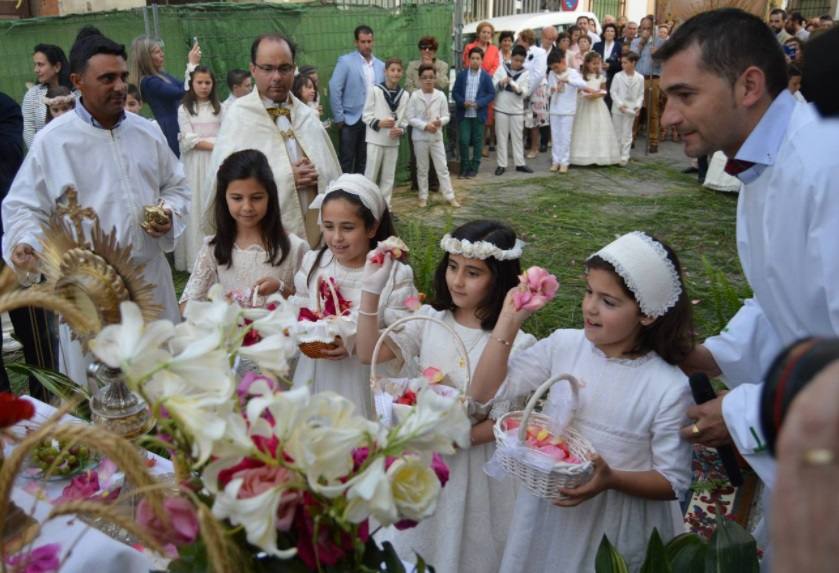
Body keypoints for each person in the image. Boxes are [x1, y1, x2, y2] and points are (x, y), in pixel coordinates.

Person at [657, 8, 839, 491]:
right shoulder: (762, 167)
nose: (669, 118)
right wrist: (712, 356)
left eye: (685, 96)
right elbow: (783, 296)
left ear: (749, 86)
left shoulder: (825, 168)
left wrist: (746, 412)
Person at [470, 231, 694, 572]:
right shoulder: (564, 346)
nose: (590, 307)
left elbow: (672, 481)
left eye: (609, 301)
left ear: (647, 313)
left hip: (612, 527)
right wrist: (509, 321)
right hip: (549, 511)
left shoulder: (668, 386)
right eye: (590, 292)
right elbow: (483, 394)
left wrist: (613, 479)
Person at [2, 26, 190, 384]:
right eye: (107, 78)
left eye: (122, 77)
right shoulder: (52, 143)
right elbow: (23, 207)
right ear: (77, 81)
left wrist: (168, 212)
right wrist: (25, 242)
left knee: (165, 391)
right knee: (104, 399)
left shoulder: (146, 132)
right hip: (89, 294)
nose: (120, 86)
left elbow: (177, 186)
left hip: (150, 282)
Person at [358, 220, 536, 573]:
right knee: (413, 540)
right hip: (423, 459)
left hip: (474, 471)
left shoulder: (518, 344)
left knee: (466, 547)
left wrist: (456, 434)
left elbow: (507, 419)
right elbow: (367, 352)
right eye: (453, 267)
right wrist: (370, 291)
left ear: (498, 279)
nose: (457, 280)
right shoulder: (429, 319)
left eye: (473, 272)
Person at [291, 174, 416, 418]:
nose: (336, 238)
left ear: (372, 227)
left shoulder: (394, 274)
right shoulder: (314, 263)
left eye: (347, 228)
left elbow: (403, 334)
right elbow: (301, 305)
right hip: (318, 370)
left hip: (368, 375)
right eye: (328, 226)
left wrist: (356, 342)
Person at [208, 33, 341, 248]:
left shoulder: (306, 116)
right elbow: (226, 183)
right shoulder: (239, 117)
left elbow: (332, 172)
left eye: (284, 68)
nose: (277, 77)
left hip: (316, 227)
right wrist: (288, 177)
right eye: (268, 69)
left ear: (294, 69)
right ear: (253, 70)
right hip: (266, 234)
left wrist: (319, 175)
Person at [180, 149, 308, 309]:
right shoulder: (214, 248)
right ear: (224, 197)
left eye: (256, 198)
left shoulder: (294, 248)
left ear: (270, 196)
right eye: (237, 198)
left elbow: (310, 307)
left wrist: (281, 288)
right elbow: (188, 305)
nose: (247, 207)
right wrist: (220, 311)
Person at [0, 90, 56, 402]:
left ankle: (46, 399)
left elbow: (8, 161)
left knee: (36, 333)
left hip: (11, 240)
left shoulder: (5, 107)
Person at [175, 65, 223, 272]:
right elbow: (189, 140)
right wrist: (216, 145)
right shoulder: (184, 109)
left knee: (216, 203)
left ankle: (220, 255)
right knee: (197, 204)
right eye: (199, 82)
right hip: (196, 164)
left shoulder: (220, 107)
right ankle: (197, 258)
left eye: (207, 82)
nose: (204, 87)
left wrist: (221, 148)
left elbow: (228, 132)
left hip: (217, 162)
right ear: (191, 84)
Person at [128, 35, 201, 158]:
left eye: (161, 51)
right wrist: (192, 65)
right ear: (146, 57)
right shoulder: (148, 82)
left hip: (179, 122)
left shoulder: (161, 75)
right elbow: (181, 92)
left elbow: (185, 86)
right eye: (157, 52)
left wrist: (193, 70)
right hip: (172, 128)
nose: (162, 54)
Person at [329, 25, 385, 174]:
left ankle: (360, 193)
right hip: (350, 119)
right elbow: (334, 88)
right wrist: (339, 117)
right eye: (363, 42)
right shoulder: (345, 61)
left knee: (365, 160)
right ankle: (344, 193)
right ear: (356, 42)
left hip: (371, 119)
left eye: (369, 41)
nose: (367, 45)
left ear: (373, 41)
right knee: (346, 159)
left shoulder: (380, 65)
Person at [406, 64, 460, 208]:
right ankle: (423, 196)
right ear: (419, 79)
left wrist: (439, 122)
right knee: (422, 168)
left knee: (442, 167)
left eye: (431, 77)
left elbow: (446, 116)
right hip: (420, 138)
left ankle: (450, 196)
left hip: (436, 137)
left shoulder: (440, 95)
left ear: (435, 78)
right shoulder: (415, 96)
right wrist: (424, 126)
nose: (428, 80)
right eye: (425, 78)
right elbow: (410, 117)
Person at [362, 57, 408, 206]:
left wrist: (401, 130)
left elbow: (406, 120)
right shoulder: (375, 90)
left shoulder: (405, 95)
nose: (395, 73)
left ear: (402, 73)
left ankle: (385, 208)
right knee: (371, 175)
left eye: (399, 70)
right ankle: (367, 206)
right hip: (375, 139)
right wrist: (380, 123)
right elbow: (366, 115)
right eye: (392, 70)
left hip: (392, 141)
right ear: (385, 72)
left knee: (388, 177)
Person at [570, 52, 620, 166]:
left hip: (598, 105)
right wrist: (585, 94)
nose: (596, 66)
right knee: (583, 128)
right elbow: (578, 91)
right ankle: (582, 155)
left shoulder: (601, 77)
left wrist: (596, 95)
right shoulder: (581, 78)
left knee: (598, 128)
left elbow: (604, 91)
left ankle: (600, 155)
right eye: (594, 63)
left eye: (598, 64)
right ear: (587, 64)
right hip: (584, 105)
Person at [546, 49, 592, 173]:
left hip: (567, 110)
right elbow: (548, 90)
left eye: (556, 67)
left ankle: (564, 162)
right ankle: (556, 161)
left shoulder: (572, 73)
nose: (555, 70)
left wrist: (568, 81)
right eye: (553, 68)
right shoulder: (551, 74)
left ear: (562, 61)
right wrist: (554, 89)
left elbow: (583, 85)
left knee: (565, 136)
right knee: (556, 136)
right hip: (555, 109)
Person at [452, 47, 495, 179]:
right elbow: (455, 93)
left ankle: (474, 167)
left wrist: (480, 103)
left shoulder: (486, 77)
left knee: (477, 141)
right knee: (464, 140)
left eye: (478, 58)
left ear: (482, 60)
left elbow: (491, 93)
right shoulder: (462, 75)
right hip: (464, 113)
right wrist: (462, 102)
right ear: (468, 60)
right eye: (472, 58)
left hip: (478, 113)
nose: (475, 61)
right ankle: (464, 167)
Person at [22, 44, 71, 148]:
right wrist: (41, 154)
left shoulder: (75, 92)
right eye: (35, 65)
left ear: (57, 66)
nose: (36, 70)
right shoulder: (32, 95)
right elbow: (28, 129)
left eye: (40, 65)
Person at [493, 45, 531, 176]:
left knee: (518, 137)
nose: (518, 63)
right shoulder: (501, 68)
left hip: (517, 110)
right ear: (511, 57)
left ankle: (520, 163)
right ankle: (501, 164)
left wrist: (519, 90)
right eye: (516, 60)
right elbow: (493, 86)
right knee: (502, 137)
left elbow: (526, 91)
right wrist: (501, 83)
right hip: (501, 108)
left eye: (521, 61)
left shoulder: (525, 72)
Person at [631, 18, 665, 152]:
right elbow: (632, 58)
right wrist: (641, 43)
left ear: (653, 29)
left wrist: (657, 55)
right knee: (635, 109)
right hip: (638, 78)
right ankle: (631, 138)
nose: (645, 31)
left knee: (653, 110)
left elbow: (664, 62)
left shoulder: (660, 43)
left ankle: (653, 141)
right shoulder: (635, 41)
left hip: (653, 78)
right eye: (643, 28)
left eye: (648, 28)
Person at [610, 51, 644, 165]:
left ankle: (625, 155)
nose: (622, 65)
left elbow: (640, 94)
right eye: (622, 62)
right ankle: (616, 154)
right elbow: (613, 92)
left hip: (631, 109)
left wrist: (638, 106)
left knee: (627, 132)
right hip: (619, 108)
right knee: (617, 131)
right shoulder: (618, 76)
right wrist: (620, 104)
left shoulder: (640, 78)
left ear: (633, 63)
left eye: (625, 62)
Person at [594, 23, 623, 109]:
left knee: (609, 101)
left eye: (612, 31)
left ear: (615, 34)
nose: (610, 33)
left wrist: (610, 66)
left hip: (612, 77)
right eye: (607, 31)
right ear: (604, 33)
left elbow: (621, 64)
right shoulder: (597, 45)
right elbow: (592, 59)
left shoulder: (619, 46)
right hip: (598, 76)